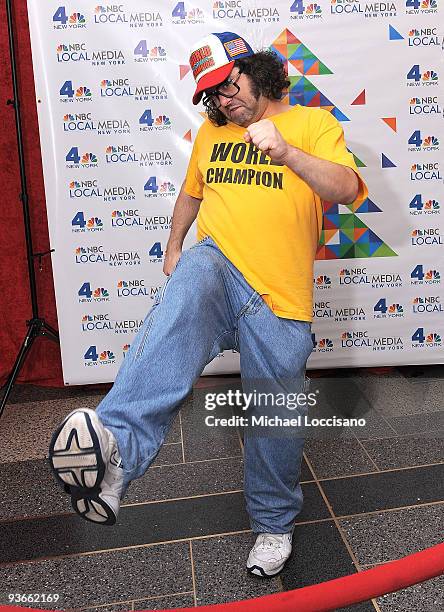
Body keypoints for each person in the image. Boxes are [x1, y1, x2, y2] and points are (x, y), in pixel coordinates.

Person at [49, 32, 367, 578]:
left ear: (256, 71)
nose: (223, 101)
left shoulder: (313, 125)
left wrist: (287, 151)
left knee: (274, 420)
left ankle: (272, 525)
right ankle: (114, 455)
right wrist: (175, 244)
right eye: (212, 94)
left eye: (228, 84)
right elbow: (192, 192)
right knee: (183, 297)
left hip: (280, 298)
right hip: (219, 266)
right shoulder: (212, 134)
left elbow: (345, 187)